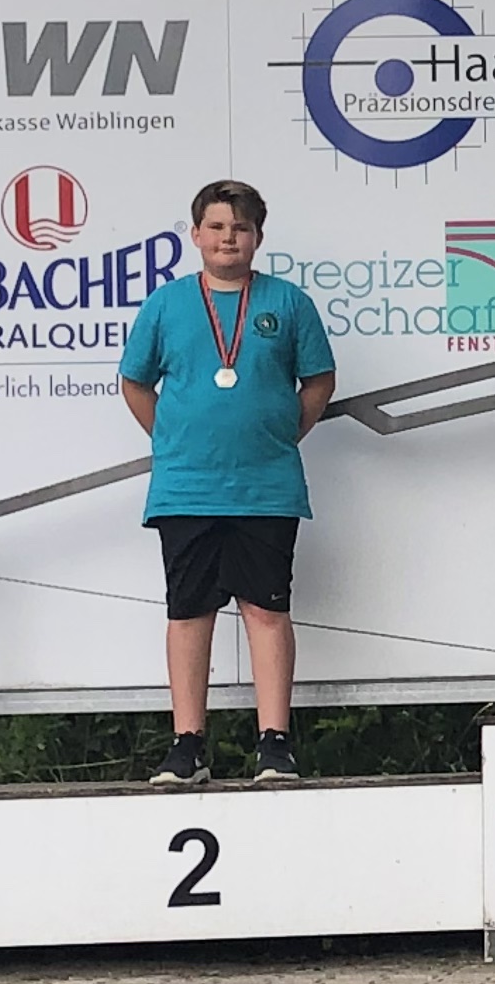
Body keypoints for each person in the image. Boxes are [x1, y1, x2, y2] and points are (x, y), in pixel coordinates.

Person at [116, 177, 335, 787]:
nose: (227, 238)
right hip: (186, 487)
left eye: (240, 228)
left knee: (267, 609)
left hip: (266, 486)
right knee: (189, 612)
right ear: (195, 235)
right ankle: (188, 745)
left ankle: (274, 743)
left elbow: (319, 380)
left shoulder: (288, 302)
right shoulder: (166, 304)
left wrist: (281, 433)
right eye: (215, 227)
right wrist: (171, 440)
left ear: (258, 236)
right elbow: (135, 381)